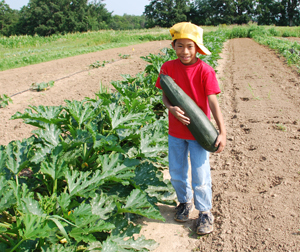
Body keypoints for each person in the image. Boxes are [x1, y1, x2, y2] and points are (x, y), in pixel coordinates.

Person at [155, 22, 226, 235]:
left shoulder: (205, 70)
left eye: (189, 46)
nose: (184, 51)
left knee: (200, 174)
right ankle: (185, 202)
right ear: (173, 46)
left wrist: (222, 132)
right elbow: (165, 95)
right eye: (179, 46)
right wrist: (171, 109)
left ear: (197, 48)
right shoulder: (167, 68)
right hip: (175, 132)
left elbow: (213, 102)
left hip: (199, 134)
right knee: (176, 172)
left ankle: (205, 212)